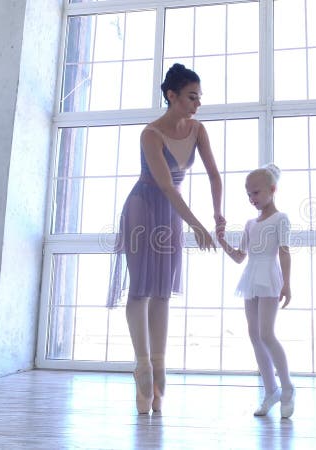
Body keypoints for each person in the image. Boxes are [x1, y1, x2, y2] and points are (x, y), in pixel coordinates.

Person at [108, 63, 225, 414]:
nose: (197, 104)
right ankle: (142, 365)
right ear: (171, 96)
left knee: (163, 291)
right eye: (192, 97)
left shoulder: (198, 129)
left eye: (199, 97)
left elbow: (215, 178)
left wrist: (217, 216)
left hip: (173, 212)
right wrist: (196, 224)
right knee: (141, 288)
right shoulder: (150, 134)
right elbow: (164, 186)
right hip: (144, 208)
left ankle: (159, 366)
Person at [217, 163, 295, 418]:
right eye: (248, 194)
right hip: (251, 276)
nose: (252, 198)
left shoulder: (281, 218)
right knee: (254, 335)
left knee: (267, 334)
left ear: (272, 190)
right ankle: (270, 390)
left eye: (256, 193)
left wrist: (287, 283)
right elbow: (240, 257)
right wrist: (222, 241)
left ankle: (287, 389)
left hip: (269, 276)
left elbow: (284, 251)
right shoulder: (250, 223)